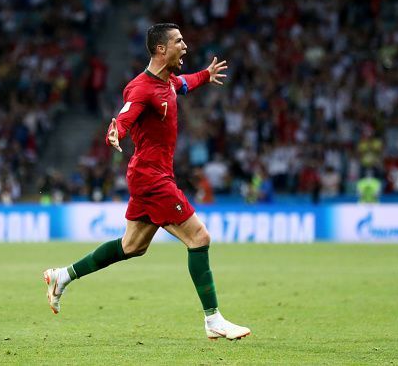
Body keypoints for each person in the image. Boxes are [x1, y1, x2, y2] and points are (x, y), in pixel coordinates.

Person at [43, 23, 250, 341]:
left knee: (132, 246)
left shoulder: (168, 82)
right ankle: (213, 319)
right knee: (199, 237)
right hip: (152, 178)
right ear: (161, 49)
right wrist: (116, 131)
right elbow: (125, 115)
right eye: (179, 42)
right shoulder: (141, 88)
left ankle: (62, 276)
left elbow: (185, 83)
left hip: (149, 175)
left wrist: (206, 75)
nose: (185, 46)